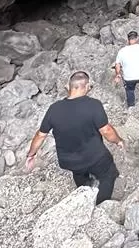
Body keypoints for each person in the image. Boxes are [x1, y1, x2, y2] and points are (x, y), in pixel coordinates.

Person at [25, 71, 123, 204]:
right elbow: (106, 130)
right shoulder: (94, 105)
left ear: (68, 87)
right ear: (87, 86)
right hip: (95, 157)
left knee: (79, 174)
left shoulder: (54, 109)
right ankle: (100, 204)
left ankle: (84, 194)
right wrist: (118, 141)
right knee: (108, 175)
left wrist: (31, 154)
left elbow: (40, 135)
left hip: (69, 161)